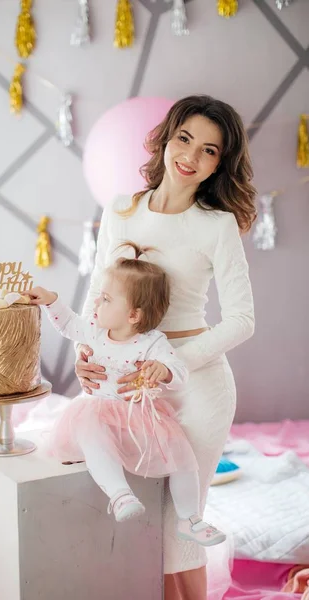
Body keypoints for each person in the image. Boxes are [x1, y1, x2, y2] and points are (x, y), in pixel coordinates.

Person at [74, 95, 256, 600]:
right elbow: (99, 292)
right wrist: (85, 354)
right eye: (185, 139)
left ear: (221, 163)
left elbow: (243, 320)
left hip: (198, 387)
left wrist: (171, 363)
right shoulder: (122, 209)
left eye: (210, 150)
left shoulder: (215, 226)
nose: (191, 157)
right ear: (167, 138)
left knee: (180, 528)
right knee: (140, 523)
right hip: (129, 383)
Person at [25, 241, 226, 546]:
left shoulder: (152, 342)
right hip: (99, 410)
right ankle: (119, 494)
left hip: (139, 417)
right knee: (93, 436)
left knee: (182, 454)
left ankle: (190, 518)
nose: (96, 305)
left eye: (106, 299)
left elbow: (178, 370)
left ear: (133, 315)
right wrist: (51, 300)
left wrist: (164, 370)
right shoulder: (93, 330)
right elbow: (67, 324)